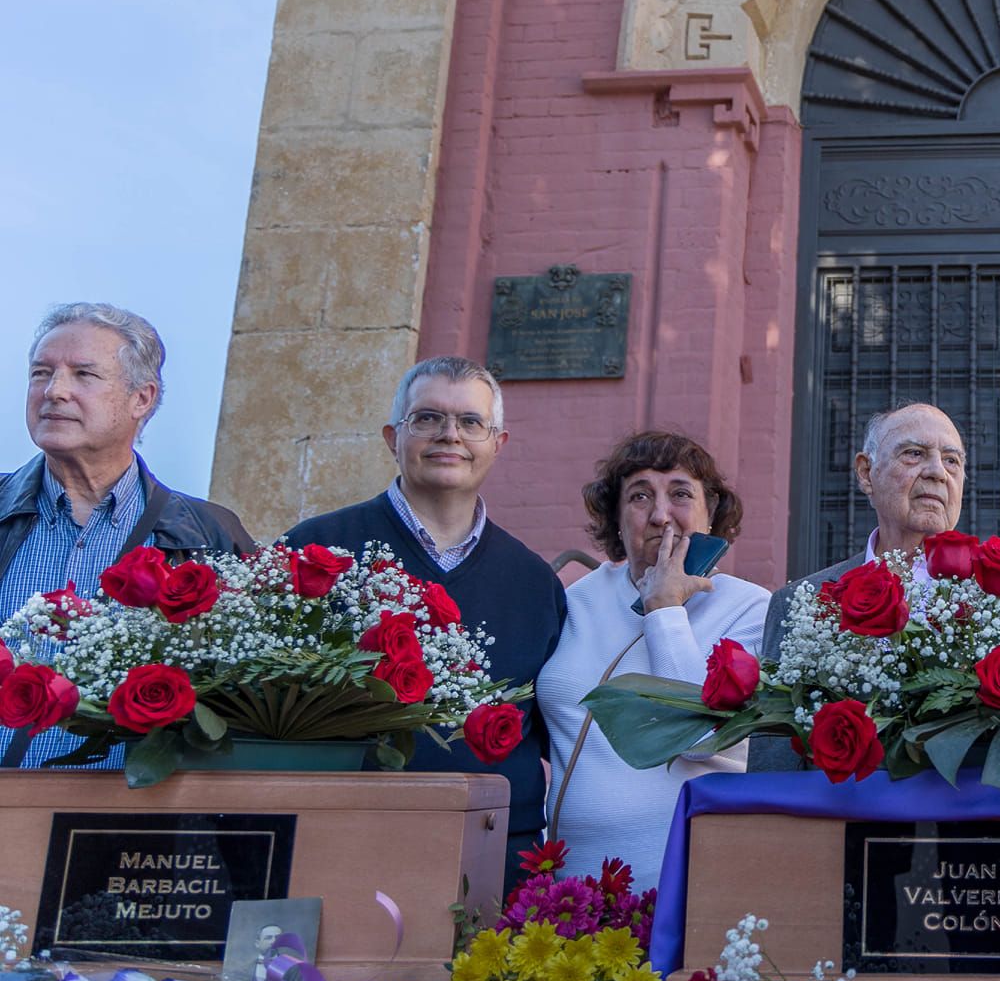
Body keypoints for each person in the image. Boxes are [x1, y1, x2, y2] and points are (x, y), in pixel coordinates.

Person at [284, 356, 564, 896]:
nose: (449, 436)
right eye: (428, 418)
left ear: (497, 443)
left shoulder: (534, 583)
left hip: (493, 862)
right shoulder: (316, 552)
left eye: (470, 422)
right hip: (339, 854)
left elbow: (552, 734)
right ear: (394, 436)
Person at [0, 304, 255, 770]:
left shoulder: (209, 534)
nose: (54, 391)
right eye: (41, 373)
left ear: (142, 398)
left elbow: (246, 695)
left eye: (83, 375)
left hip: (128, 824)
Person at [536, 430, 769, 885]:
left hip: (685, 881)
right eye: (640, 496)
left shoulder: (751, 609)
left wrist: (665, 610)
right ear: (617, 519)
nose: (661, 515)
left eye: (681, 494)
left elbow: (698, 741)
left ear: (711, 512)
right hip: (571, 887)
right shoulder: (577, 600)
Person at [747, 402, 966, 772]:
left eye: (951, 461)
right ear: (866, 473)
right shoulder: (800, 604)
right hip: (841, 818)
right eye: (914, 454)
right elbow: (774, 768)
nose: (937, 472)